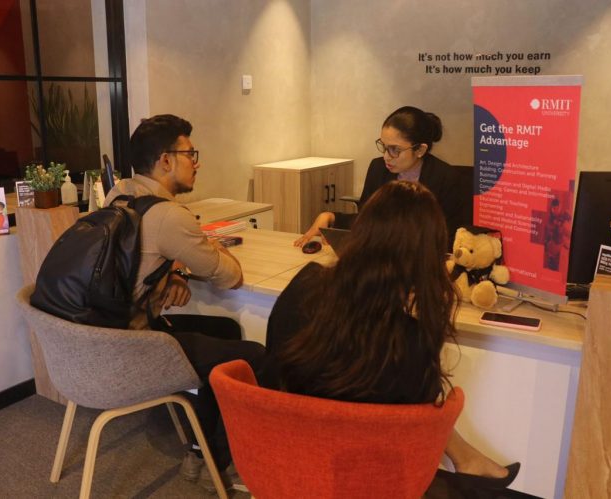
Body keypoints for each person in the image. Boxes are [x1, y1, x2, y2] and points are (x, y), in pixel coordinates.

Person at [266, 181, 520, 490]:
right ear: (426, 256)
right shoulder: (405, 343)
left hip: (288, 464)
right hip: (366, 482)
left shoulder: (303, 286)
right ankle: (469, 461)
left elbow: (274, 367)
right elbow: (422, 424)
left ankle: (469, 460)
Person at [105, 114, 263, 492]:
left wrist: (174, 268)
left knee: (224, 331)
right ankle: (224, 460)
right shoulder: (170, 216)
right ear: (165, 161)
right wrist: (201, 252)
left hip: (105, 336)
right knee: (255, 356)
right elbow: (230, 275)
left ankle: (199, 450)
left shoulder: (118, 195)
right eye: (190, 154)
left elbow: (143, 254)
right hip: (139, 346)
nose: (197, 162)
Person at [294, 105, 470, 247]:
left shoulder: (446, 178)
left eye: (395, 150)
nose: (386, 156)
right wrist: (331, 217)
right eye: (384, 147)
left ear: (420, 150)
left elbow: (449, 239)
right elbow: (367, 221)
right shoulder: (378, 168)